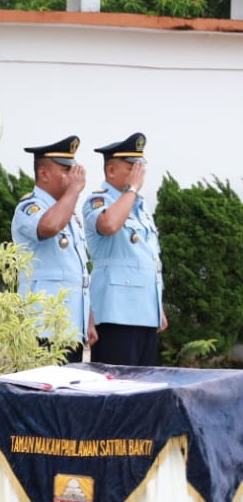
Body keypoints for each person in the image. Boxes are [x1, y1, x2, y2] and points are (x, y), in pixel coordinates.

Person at [84, 133, 165, 366]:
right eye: (131, 167)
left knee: (143, 389)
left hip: (145, 313)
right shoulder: (97, 201)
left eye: (140, 167)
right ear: (111, 171)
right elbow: (109, 225)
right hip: (116, 313)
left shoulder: (142, 206)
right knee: (116, 387)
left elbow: (147, 258)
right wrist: (132, 190)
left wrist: (156, 304)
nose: (138, 173)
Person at [13, 136, 91, 362]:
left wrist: (88, 318)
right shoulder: (29, 207)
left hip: (69, 325)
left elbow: (79, 273)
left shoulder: (67, 213)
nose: (73, 176)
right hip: (42, 326)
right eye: (66, 169)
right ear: (44, 174)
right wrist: (74, 191)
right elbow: (48, 226)